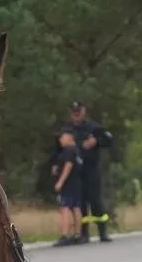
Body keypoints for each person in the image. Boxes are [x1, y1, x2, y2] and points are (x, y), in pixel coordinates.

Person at [64, 100, 115, 242]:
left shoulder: (93, 127)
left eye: (79, 112)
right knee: (80, 204)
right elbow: (60, 146)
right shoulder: (68, 129)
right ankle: (84, 234)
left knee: (95, 201)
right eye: (74, 113)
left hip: (91, 170)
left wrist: (96, 141)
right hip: (75, 172)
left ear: (83, 111)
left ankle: (102, 232)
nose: (76, 115)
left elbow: (109, 140)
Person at [49, 129, 85, 246]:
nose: (60, 140)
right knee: (75, 208)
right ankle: (77, 234)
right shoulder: (77, 150)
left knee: (65, 208)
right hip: (77, 183)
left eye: (62, 137)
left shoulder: (69, 150)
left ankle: (65, 235)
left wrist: (60, 182)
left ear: (70, 137)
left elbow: (68, 166)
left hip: (68, 184)